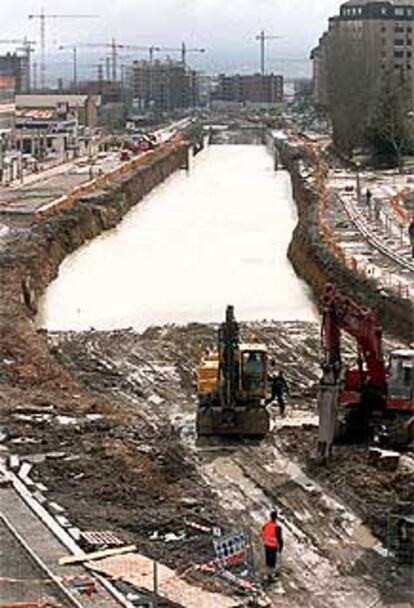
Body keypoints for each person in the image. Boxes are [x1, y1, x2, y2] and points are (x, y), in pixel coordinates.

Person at [261, 510, 284, 582]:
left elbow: (262, 533)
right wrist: (281, 547)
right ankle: (270, 576)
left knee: (268, 560)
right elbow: (280, 539)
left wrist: (265, 539)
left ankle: (268, 575)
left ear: (270, 516)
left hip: (267, 545)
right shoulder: (277, 527)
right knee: (272, 562)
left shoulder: (266, 525)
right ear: (276, 518)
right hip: (273, 546)